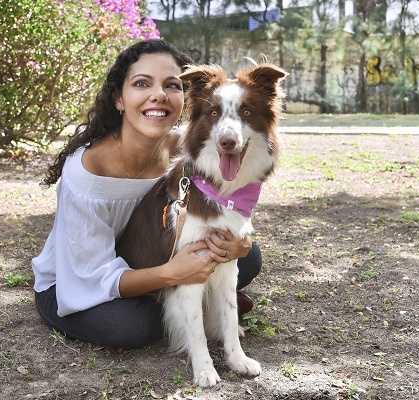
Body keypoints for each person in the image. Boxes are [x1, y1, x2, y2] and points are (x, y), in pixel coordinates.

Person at [32, 39, 262, 349]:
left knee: (249, 257)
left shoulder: (187, 148)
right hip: (77, 280)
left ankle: (196, 304)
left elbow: (231, 197)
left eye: (172, 85)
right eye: (142, 83)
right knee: (129, 327)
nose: (159, 95)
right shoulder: (88, 171)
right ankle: (202, 308)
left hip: (144, 257)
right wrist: (171, 273)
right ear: (119, 99)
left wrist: (240, 241)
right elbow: (91, 274)